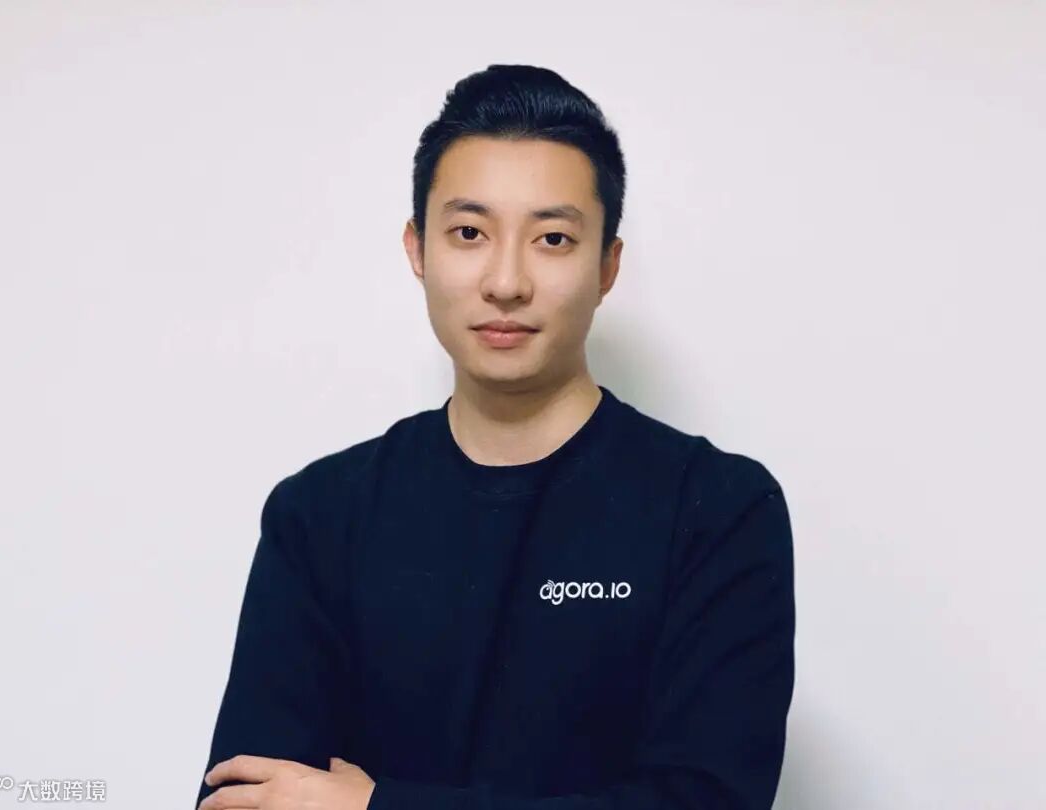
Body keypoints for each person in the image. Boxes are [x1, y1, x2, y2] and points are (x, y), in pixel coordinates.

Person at [194, 63, 795, 810]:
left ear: (607, 265)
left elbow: (708, 802)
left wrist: (376, 806)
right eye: (470, 233)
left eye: (552, 238)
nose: (506, 282)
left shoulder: (716, 509)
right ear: (418, 250)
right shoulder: (320, 514)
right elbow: (248, 799)